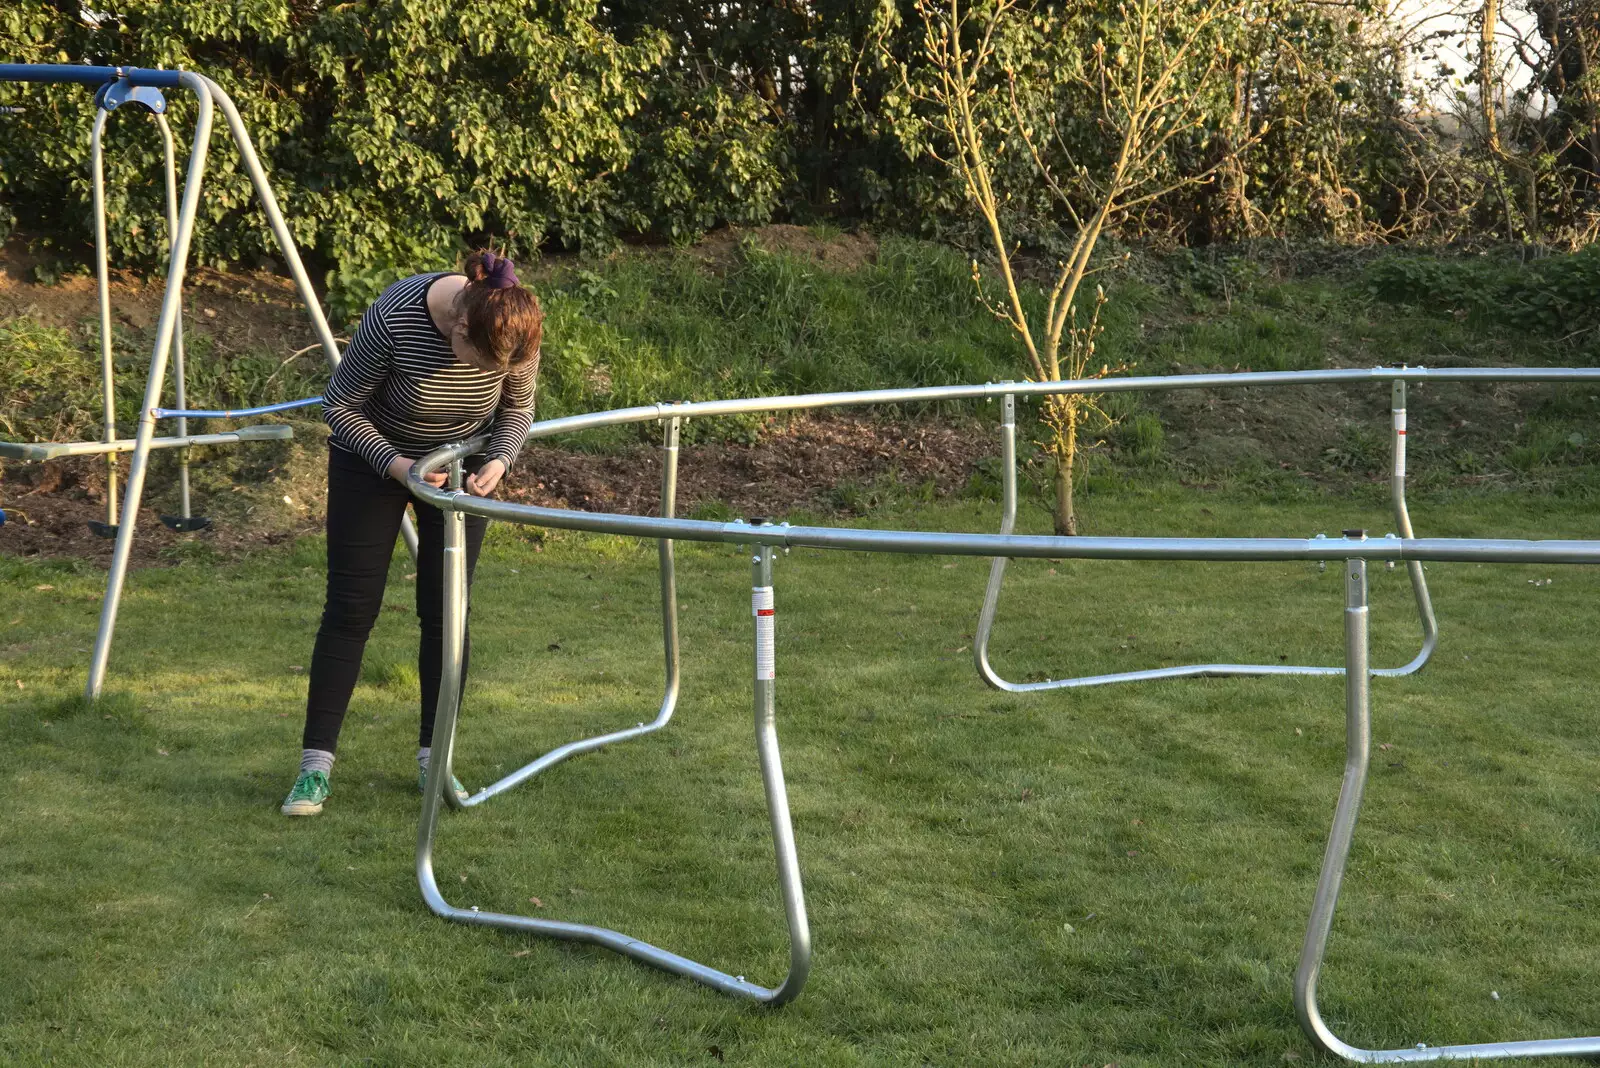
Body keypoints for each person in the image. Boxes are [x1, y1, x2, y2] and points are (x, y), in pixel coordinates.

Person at [280, 250, 541, 816]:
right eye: (477, 364)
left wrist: (499, 459)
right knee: (351, 608)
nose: (486, 377)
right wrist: (400, 467)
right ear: (459, 327)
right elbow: (340, 404)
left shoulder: (513, 328)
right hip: (373, 462)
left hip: (460, 471)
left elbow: (518, 409)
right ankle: (314, 769)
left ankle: (435, 759)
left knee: (446, 614)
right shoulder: (396, 314)